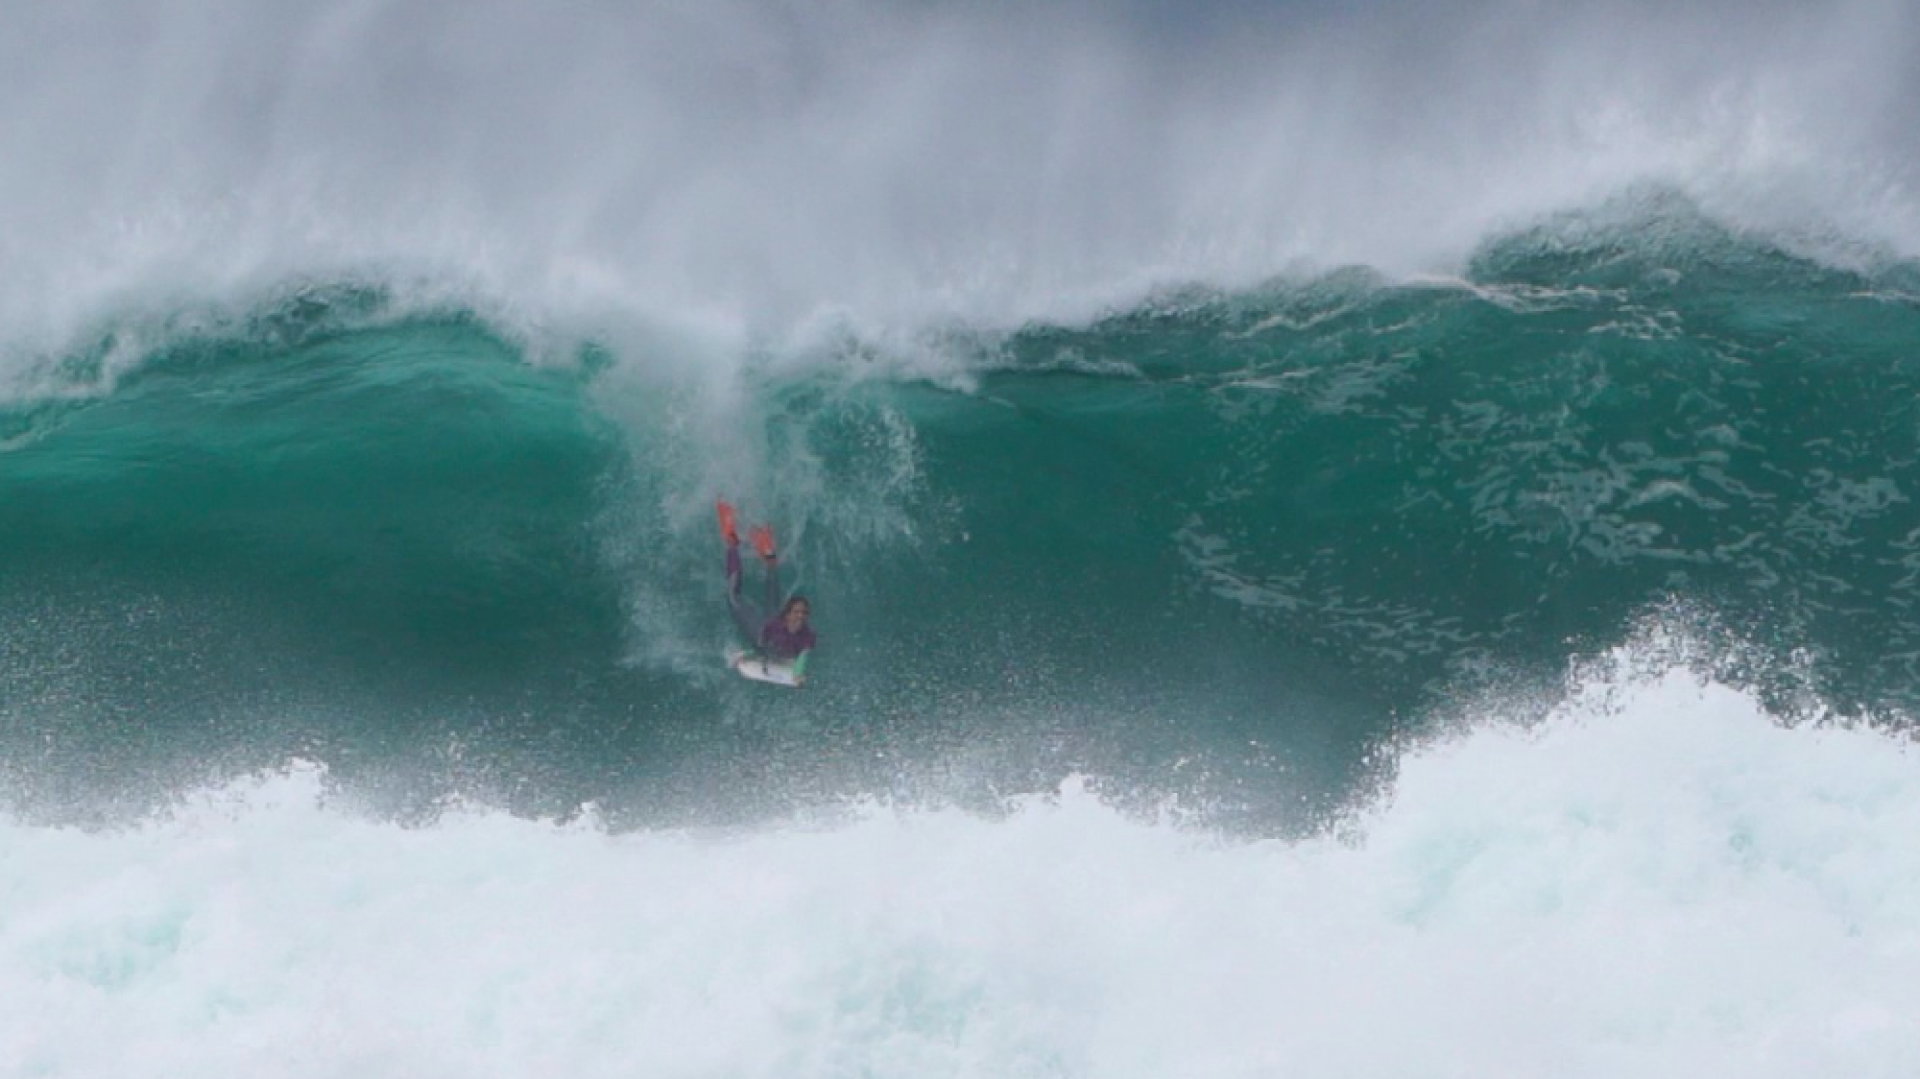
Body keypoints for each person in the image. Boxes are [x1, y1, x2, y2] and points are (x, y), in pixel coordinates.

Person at [720, 502, 816, 684]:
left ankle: (769, 557)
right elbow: (760, 649)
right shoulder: (777, 630)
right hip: (760, 629)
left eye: (803, 613)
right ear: (788, 615)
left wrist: (798, 673)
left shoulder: (807, 635)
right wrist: (743, 656)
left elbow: (803, 659)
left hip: (772, 623)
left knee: (772, 600)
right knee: (732, 596)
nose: (800, 616)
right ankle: (732, 543)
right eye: (796, 613)